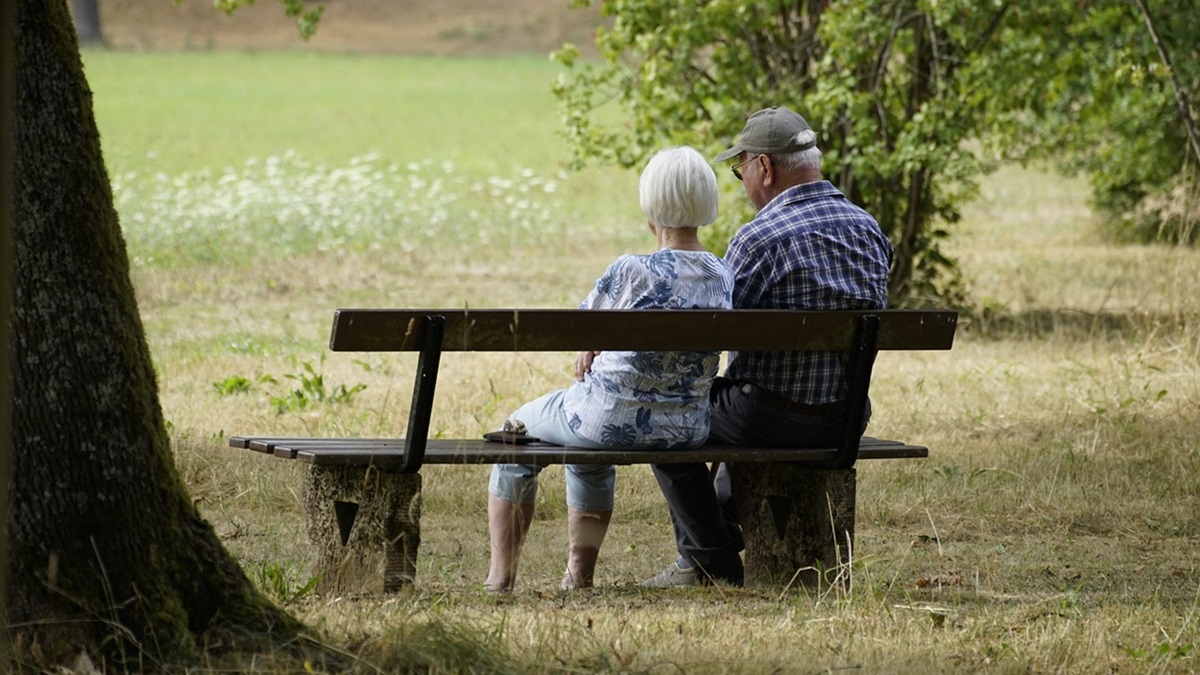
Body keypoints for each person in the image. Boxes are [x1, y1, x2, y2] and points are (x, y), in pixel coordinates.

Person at [640, 107, 894, 588]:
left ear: (764, 168)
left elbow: (716, 335)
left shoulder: (758, 239)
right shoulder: (870, 230)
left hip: (771, 419)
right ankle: (721, 534)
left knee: (664, 412)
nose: (743, 183)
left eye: (741, 173)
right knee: (744, 396)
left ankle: (710, 559)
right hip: (846, 417)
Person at [485, 146, 735, 593]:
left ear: (651, 206)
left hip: (606, 421)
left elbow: (579, 330)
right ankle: (578, 576)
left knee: (515, 433)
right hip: (685, 429)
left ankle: (499, 579)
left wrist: (591, 346)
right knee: (585, 444)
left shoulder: (631, 271)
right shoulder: (722, 274)